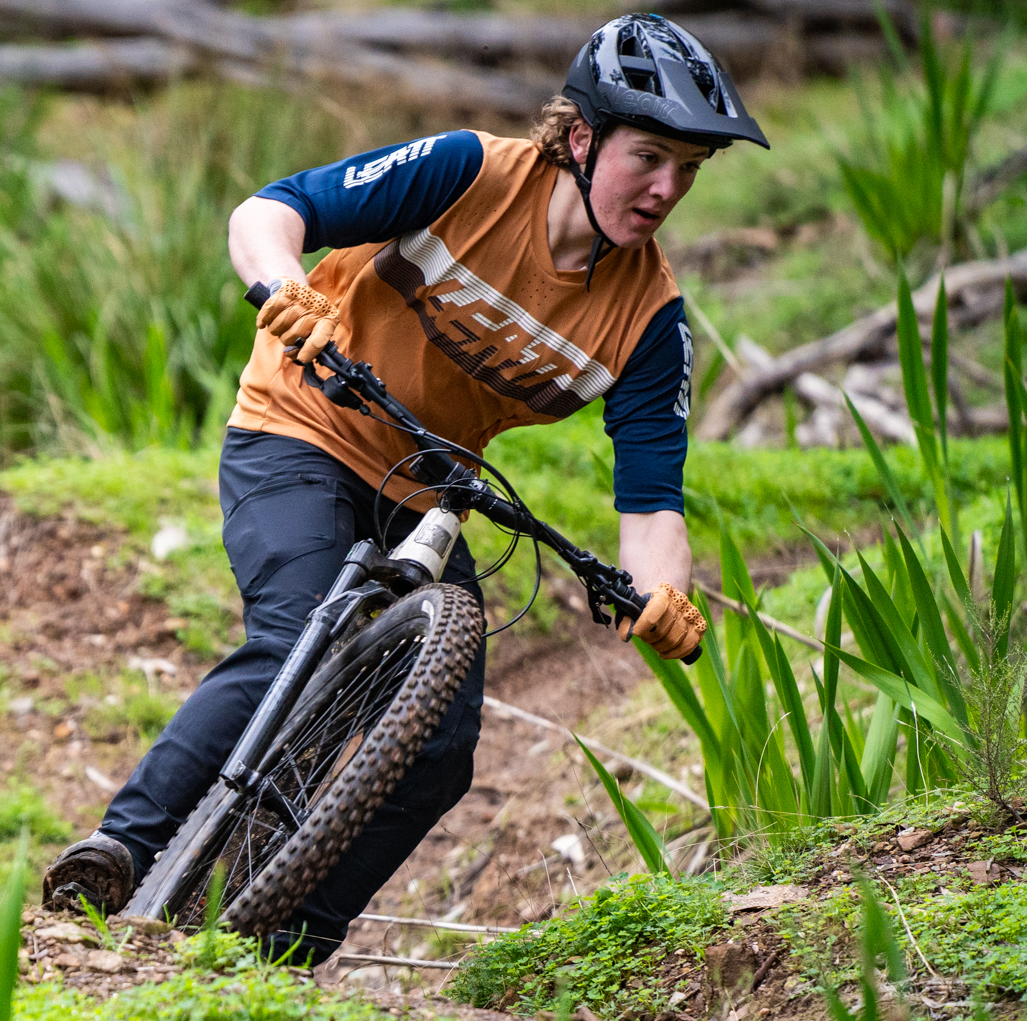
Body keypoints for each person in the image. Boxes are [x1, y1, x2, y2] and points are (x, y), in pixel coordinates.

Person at [42, 14, 759, 956]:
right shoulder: (470, 171)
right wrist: (281, 289)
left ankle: (281, 947)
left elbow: (652, 500)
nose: (667, 188)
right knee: (299, 628)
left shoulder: (651, 319)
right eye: (650, 156)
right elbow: (267, 211)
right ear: (581, 137)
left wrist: (663, 596)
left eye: (690, 169)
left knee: (441, 748)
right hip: (300, 427)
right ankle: (120, 851)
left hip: (427, 488)